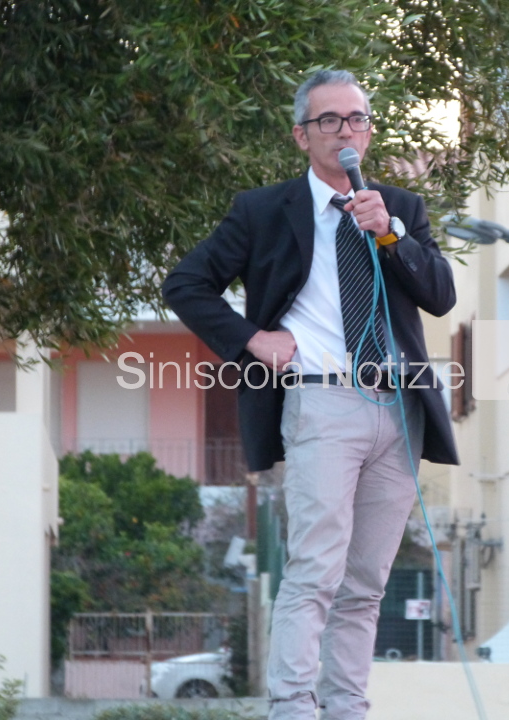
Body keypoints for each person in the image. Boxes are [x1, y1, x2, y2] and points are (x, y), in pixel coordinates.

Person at [162, 69, 458, 720]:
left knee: (366, 584)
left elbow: (441, 295)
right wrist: (251, 340)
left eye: (357, 119)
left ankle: (347, 709)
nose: (346, 131)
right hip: (322, 402)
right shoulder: (263, 210)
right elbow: (185, 284)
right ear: (302, 136)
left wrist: (392, 235)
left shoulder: (399, 207)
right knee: (316, 571)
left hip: (399, 410)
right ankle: (293, 709)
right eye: (330, 121)